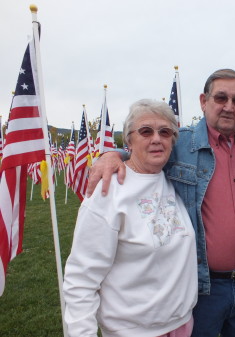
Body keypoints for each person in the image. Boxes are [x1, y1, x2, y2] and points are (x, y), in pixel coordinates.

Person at [87, 69, 235, 337]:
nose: (229, 107)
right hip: (201, 287)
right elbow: (143, 150)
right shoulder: (180, 144)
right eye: (221, 98)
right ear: (203, 101)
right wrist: (111, 155)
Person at [63, 99, 198, 337]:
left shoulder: (174, 180)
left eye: (165, 132)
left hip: (182, 325)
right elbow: (81, 278)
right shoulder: (108, 192)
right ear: (129, 140)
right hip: (132, 331)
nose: (156, 138)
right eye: (146, 131)